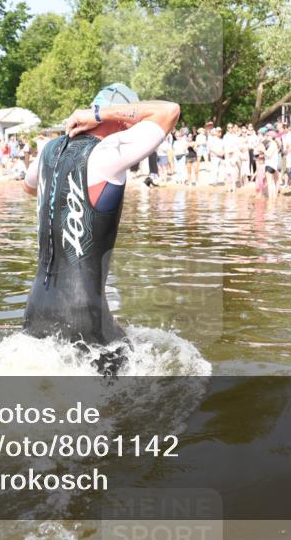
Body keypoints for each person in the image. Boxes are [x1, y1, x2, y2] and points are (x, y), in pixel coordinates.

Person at [22, 84, 180, 374]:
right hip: (83, 314)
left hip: (36, 309)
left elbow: (29, 187)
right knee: (123, 407)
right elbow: (169, 111)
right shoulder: (108, 152)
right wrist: (99, 114)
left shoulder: (48, 149)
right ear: (120, 120)